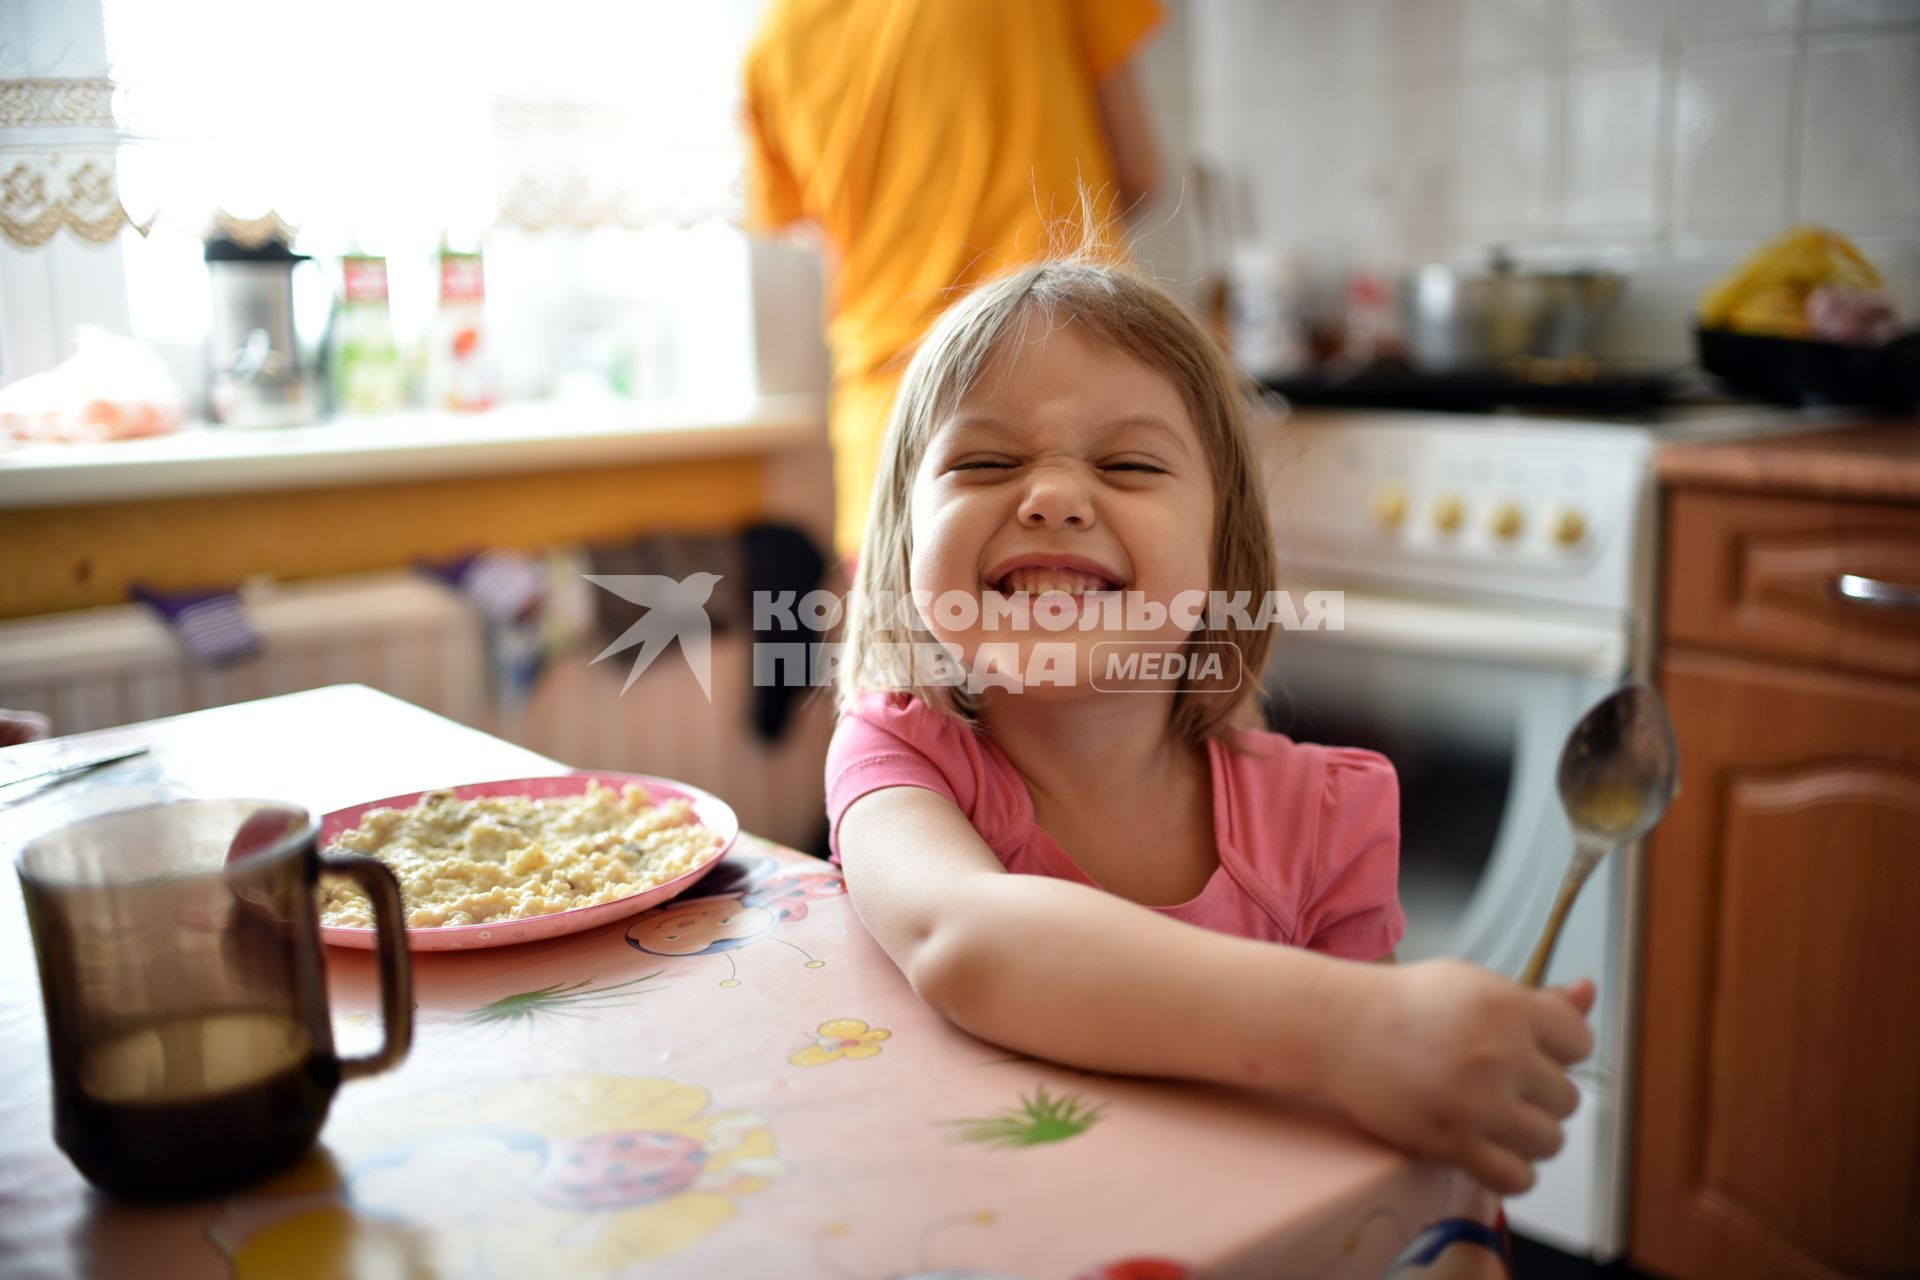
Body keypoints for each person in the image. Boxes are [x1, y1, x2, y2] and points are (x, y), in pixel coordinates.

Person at [825, 256, 1596, 1199]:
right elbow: (971, 941)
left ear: (1222, 558)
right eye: (986, 462)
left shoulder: (1326, 819)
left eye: (1128, 465)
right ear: (902, 537)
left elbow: (1371, 1150)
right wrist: (1358, 1029)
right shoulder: (898, 759)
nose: (1055, 497)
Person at [741, 0, 1165, 561]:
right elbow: (1137, 174)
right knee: (1088, 636)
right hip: (1063, 359)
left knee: (902, 645)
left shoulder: (774, 43)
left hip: (887, 413)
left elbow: (837, 250)